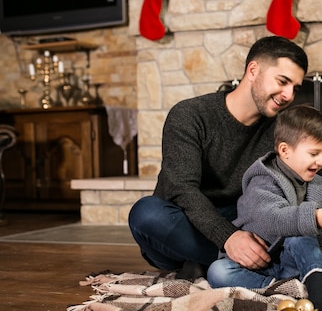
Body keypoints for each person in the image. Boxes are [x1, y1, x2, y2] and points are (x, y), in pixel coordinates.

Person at [128, 36, 311, 281]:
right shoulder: (190, 115)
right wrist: (228, 238)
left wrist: (319, 238)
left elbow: (297, 190)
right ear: (253, 70)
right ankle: (257, 263)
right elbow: (181, 190)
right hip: (181, 225)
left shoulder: (281, 130)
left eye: (295, 88)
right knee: (147, 214)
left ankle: (208, 263)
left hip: (241, 222)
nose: (288, 95)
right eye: (283, 81)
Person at [207, 104, 322, 311]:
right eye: (314, 154)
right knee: (217, 272)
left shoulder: (320, 181)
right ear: (285, 150)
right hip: (260, 265)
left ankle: (317, 289)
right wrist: (315, 218)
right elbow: (272, 217)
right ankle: (285, 288)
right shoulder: (263, 180)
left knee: (302, 234)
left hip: (297, 258)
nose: (321, 161)